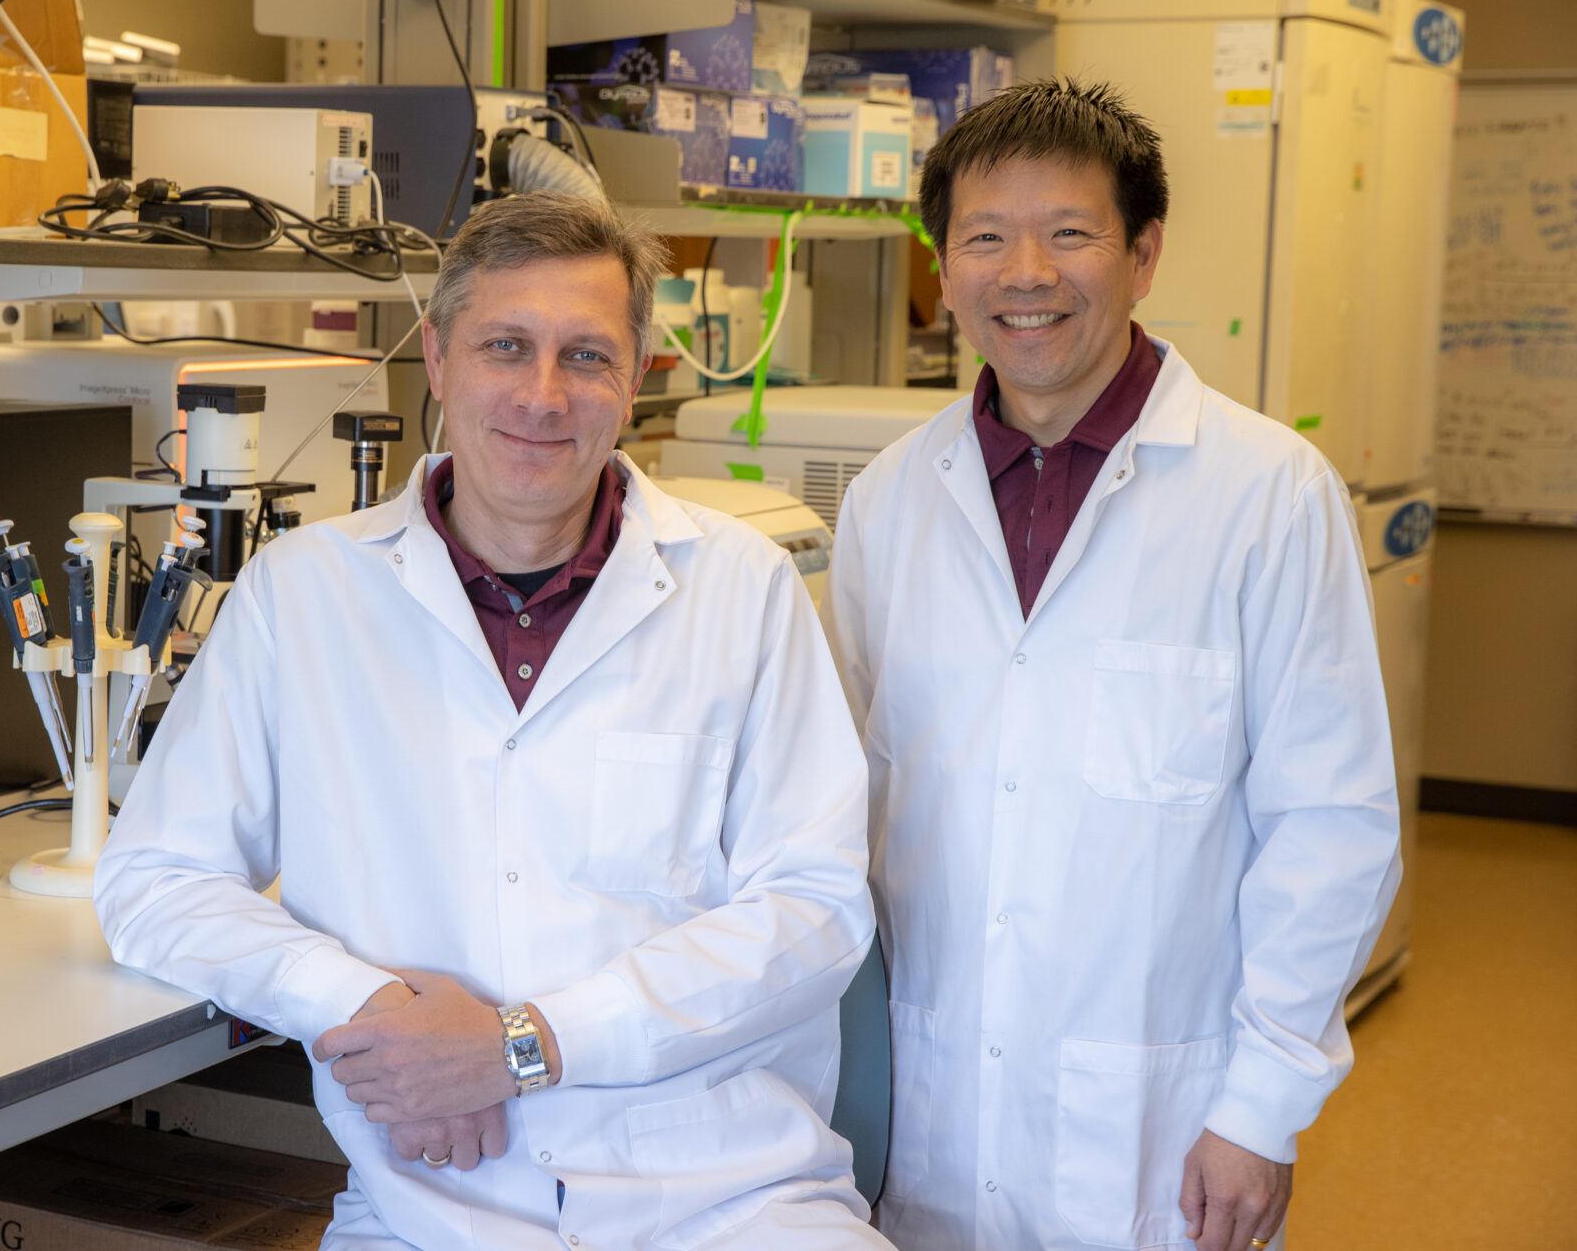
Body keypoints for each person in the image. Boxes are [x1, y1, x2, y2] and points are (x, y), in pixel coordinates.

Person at [97, 192, 887, 1250]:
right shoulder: (305, 595)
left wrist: (525, 1045)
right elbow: (154, 881)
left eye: (587, 356)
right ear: (435, 356)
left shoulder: (737, 587)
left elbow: (814, 907)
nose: (543, 394)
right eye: (504, 347)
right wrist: (371, 1009)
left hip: (728, 1196)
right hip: (429, 1203)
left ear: (638, 375)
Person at [821, 78, 1402, 1251]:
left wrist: (1260, 1110)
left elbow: (1331, 824)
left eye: (1067, 234)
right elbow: (842, 807)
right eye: (983, 238)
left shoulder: (1264, 492)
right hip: (927, 1111)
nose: (1023, 273)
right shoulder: (889, 501)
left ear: (1141, 255)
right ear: (943, 268)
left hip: (1160, 1127)